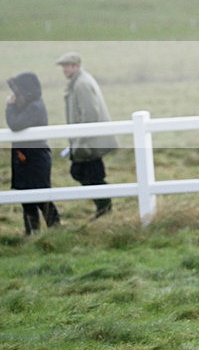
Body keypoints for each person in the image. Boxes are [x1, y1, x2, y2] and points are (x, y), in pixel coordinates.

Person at [56, 52, 118, 219]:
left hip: (88, 141)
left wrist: (80, 139)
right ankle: (103, 208)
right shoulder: (78, 81)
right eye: (63, 66)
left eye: (67, 66)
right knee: (86, 173)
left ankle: (104, 208)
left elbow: (89, 114)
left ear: (76, 66)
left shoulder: (81, 84)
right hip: (87, 140)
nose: (64, 70)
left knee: (86, 173)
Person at [5, 72, 61, 235]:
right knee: (27, 198)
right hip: (25, 158)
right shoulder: (31, 105)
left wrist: (9, 107)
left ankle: (53, 230)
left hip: (33, 159)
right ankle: (33, 233)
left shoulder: (34, 107)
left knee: (41, 197)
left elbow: (15, 124)